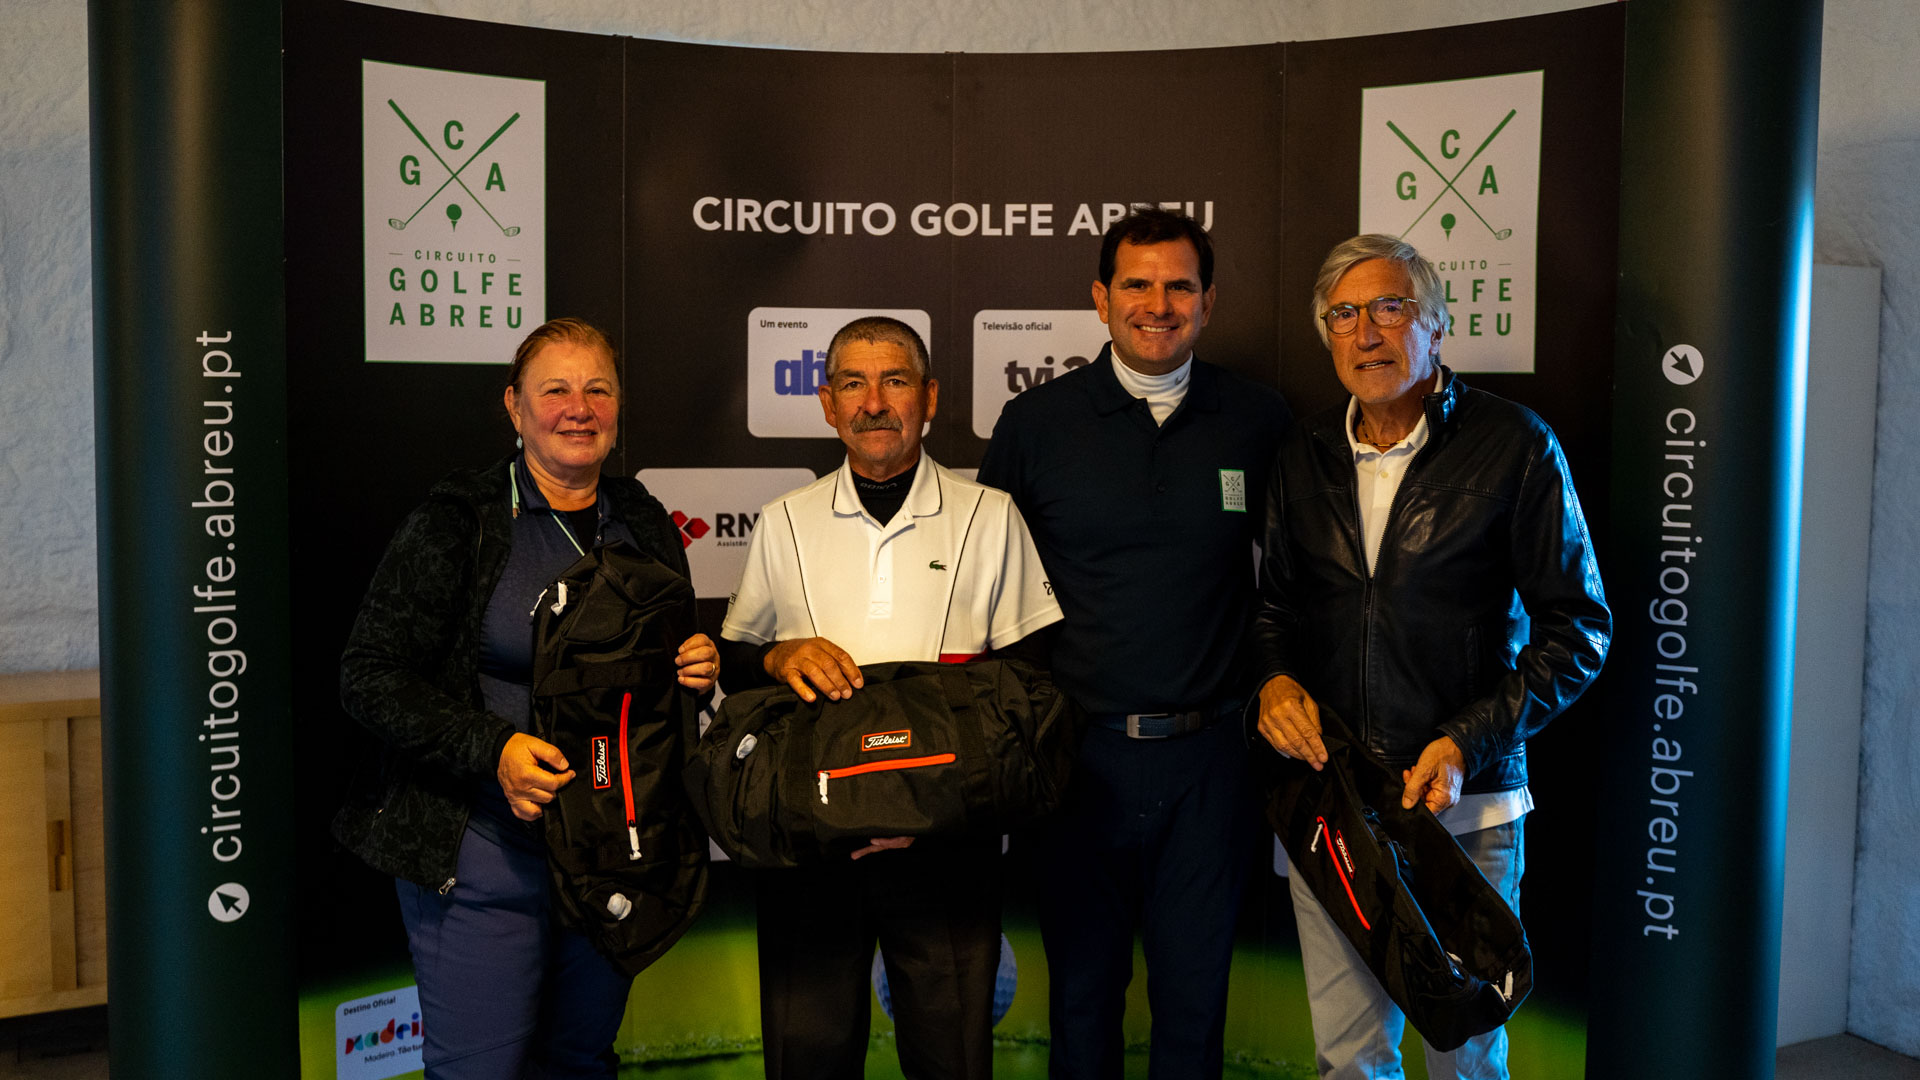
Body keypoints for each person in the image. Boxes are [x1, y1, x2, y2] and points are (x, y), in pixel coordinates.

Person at [1252, 234, 1611, 1080]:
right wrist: (1271, 680)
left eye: (1391, 308)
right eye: (1345, 315)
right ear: (1327, 337)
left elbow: (1578, 629)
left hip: (1463, 811)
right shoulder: (1302, 454)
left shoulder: (1514, 444)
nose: (1366, 332)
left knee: (1466, 1058)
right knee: (1350, 1058)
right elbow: (1272, 611)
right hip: (1334, 805)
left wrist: (1464, 742)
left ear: (1438, 326)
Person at [335, 318, 719, 1079]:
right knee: (482, 1069)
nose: (579, 408)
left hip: (612, 848)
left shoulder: (641, 517)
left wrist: (695, 664)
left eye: (597, 389)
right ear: (514, 406)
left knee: (580, 1060)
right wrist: (496, 749)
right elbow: (369, 675)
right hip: (486, 854)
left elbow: (662, 666)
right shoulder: (459, 522)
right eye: (555, 390)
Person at [977, 208, 1291, 1080]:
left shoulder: (1259, 419)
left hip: (1211, 764)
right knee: (1083, 1001)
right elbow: (987, 591)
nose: (1159, 305)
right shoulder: (1036, 424)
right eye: (1137, 285)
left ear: (1209, 301)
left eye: (1179, 286)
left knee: (1195, 1003)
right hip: (1079, 760)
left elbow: (1297, 585)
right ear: (1100, 297)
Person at [718, 316, 1063, 1080]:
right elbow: (737, 667)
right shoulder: (784, 520)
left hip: (947, 848)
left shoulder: (990, 515)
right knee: (807, 1064)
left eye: (894, 380)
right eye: (853, 383)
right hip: (812, 845)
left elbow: (1030, 683)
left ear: (929, 397)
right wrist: (778, 654)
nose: (874, 402)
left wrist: (922, 802)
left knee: (951, 1065)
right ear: (827, 403)